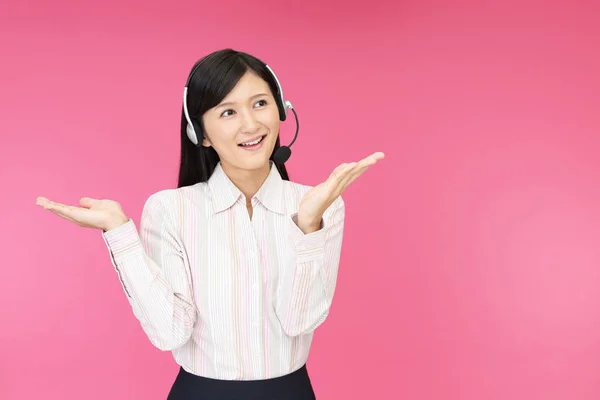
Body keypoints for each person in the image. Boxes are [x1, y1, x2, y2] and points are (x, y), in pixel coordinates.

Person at [36, 48, 384, 399]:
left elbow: (298, 322)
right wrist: (119, 232)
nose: (251, 124)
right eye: (228, 112)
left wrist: (308, 227)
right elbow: (170, 332)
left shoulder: (321, 205)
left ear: (282, 111)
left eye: (260, 103)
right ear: (200, 133)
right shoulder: (171, 209)